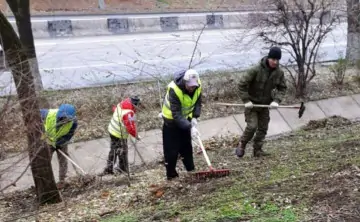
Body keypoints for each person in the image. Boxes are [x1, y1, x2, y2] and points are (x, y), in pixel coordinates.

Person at [235, 46, 287, 158]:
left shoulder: (279, 73)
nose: (275, 62)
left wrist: (276, 100)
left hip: (264, 105)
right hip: (252, 105)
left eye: (277, 60)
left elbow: (282, 88)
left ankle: (257, 150)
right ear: (268, 58)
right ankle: (242, 144)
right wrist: (246, 100)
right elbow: (241, 85)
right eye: (273, 59)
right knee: (252, 126)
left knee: (263, 128)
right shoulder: (255, 70)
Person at [160, 69, 202, 180]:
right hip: (171, 121)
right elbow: (176, 114)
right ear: (184, 82)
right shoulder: (174, 90)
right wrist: (190, 127)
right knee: (171, 151)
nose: (192, 88)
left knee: (186, 146)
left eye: (194, 86)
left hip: (185, 119)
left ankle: (191, 170)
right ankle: (171, 175)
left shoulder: (197, 85)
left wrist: (194, 117)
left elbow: (198, 102)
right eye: (190, 86)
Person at [102, 96, 141, 175]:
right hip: (119, 133)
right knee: (122, 151)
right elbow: (130, 127)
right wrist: (136, 136)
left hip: (112, 130)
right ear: (135, 104)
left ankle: (109, 168)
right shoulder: (128, 113)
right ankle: (123, 169)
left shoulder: (122, 104)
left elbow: (114, 109)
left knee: (113, 150)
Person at [40, 104, 78, 185]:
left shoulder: (73, 122)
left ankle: (62, 180)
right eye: (63, 117)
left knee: (63, 161)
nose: (64, 120)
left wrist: (60, 142)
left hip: (62, 142)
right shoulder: (47, 114)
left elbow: (69, 134)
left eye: (67, 118)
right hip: (48, 141)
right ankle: (46, 182)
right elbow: (34, 115)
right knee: (46, 162)